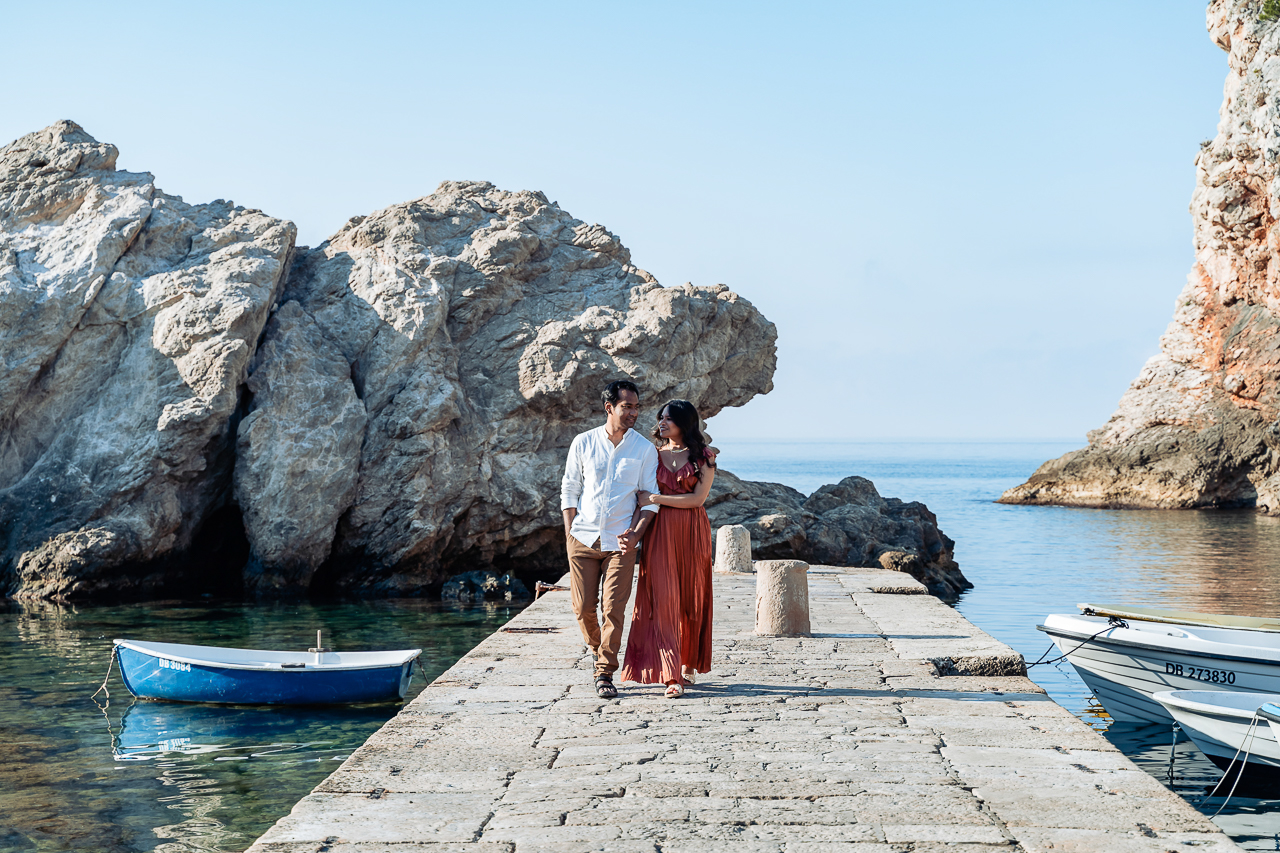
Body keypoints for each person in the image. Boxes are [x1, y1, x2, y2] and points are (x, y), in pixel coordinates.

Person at [560, 379, 661, 699]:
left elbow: (647, 501)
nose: (633, 412)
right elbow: (569, 488)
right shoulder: (583, 442)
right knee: (582, 609)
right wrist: (569, 532)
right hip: (583, 538)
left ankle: (604, 671)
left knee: (613, 609)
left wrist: (635, 535)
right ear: (609, 408)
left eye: (636, 406)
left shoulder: (644, 449)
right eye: (626, 406)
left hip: (621, 543)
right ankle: (597, 648)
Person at [619, 399, 716, 698]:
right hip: (660, 532)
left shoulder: (704, 456)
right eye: (660, 418)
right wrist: (633, 532)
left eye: (669, 419)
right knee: (663, 600)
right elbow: (639, 496)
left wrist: (658, 499)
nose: (662, 423)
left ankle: (688, 662)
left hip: (692, 530)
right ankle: (670, 674)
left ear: (684, 423)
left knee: (691, 596)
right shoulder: (653, 454)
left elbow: (697, 500)